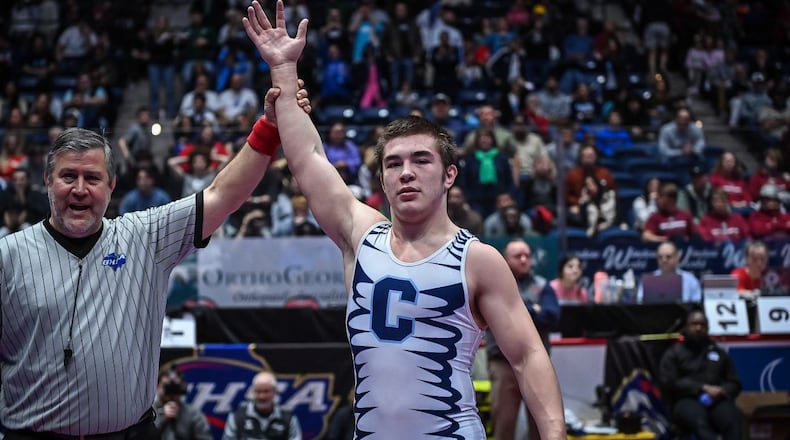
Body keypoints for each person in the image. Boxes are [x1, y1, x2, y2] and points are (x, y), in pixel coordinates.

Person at [242, 2, 566, 439]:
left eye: (421, 160)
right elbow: (309, 158)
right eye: (393, 164)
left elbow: (528, 355)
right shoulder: (361, 237)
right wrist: (283, 67)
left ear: (450, 174)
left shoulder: (477, 259)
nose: (406, 172)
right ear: (381, 177)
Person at [0, 75, 312, 435]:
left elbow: (222, 195)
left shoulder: (144, 236)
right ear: (47, 180)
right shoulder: (9, 256)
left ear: (112, 186)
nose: (80, 189)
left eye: (93, 178)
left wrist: (269, 128)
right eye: (68, 176)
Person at [486, 239, 560, 440]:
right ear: (505, 259)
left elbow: (553, 316)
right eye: (518, 256)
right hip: (502, 363)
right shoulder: (493, 284)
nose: (524, 260)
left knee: (542, 427)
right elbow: (497, 317)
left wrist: (519, 312)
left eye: (527, 255)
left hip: (536, 364)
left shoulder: (542, 286)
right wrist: (533, 310)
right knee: (503, 424)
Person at [658, 309, 743, 440]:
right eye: (694, 324)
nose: (698, 328)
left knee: (732, 419)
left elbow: (734, 382)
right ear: (686, 327)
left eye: (702, 325)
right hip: (686, 400)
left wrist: (722, 390)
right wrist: (701, 388)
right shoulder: (674, 353)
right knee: (699, 421)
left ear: (707, 328)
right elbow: (669, 382)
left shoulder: (718, 352)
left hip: (716, 399)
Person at [222, 371, 301, 440]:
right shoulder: (236, 417)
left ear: (274, 392)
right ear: (253, 392)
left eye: (266, 391)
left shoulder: (288, 419)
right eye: (258, 391)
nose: (262, 396)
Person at [153, 368, 212, 440]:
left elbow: (205, 437)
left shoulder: (193, 413)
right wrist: (163, 419)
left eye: (175, 387)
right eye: (167, 386)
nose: (171, 391)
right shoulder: (149, 412)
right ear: (157, 386)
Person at [636, 242, 702, 303]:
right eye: (660, 257)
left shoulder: (690, 279)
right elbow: (640, 302)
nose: (664, 260)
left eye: (668, 257)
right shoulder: (648, 281)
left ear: (677, 257)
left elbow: (696, 303)